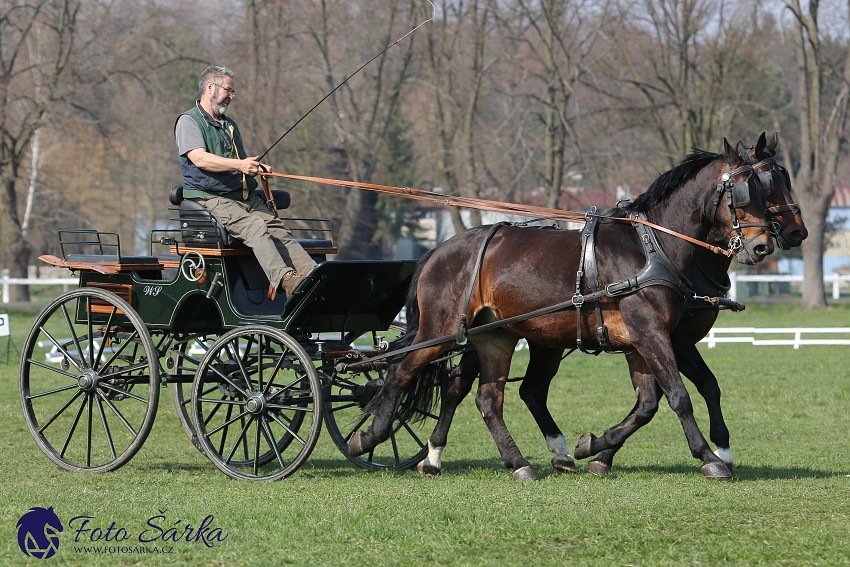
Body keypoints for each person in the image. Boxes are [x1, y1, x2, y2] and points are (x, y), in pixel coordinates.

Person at [174, 65, 315, 301]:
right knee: (255, 228)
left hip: (243, 198)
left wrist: (256, 168)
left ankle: (312, 276)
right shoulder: (189, 121)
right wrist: (240, 165)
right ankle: (286, 280)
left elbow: (239, 161)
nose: (231, 96)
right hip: (211, 199)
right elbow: (199, 158)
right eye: (228, 90)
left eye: (232, 91)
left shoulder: (229, 125)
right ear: (210, 88)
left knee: (278, 229)